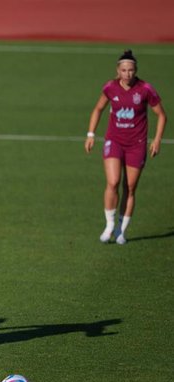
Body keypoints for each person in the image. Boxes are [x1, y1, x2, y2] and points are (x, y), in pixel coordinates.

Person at [85, 49, 167, 244]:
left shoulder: (145, 89)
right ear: (118, 70)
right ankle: (109, 225)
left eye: (131, 70)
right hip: (114, 140)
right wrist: (90, 134)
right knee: (113, 182)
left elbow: (161, 115)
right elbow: (98, 109)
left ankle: (122, 230)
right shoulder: (110, 88)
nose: (127, 74)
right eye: (124, 70)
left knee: (130, 187)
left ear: (135, 70)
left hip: (136, 144)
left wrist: (156, 140)